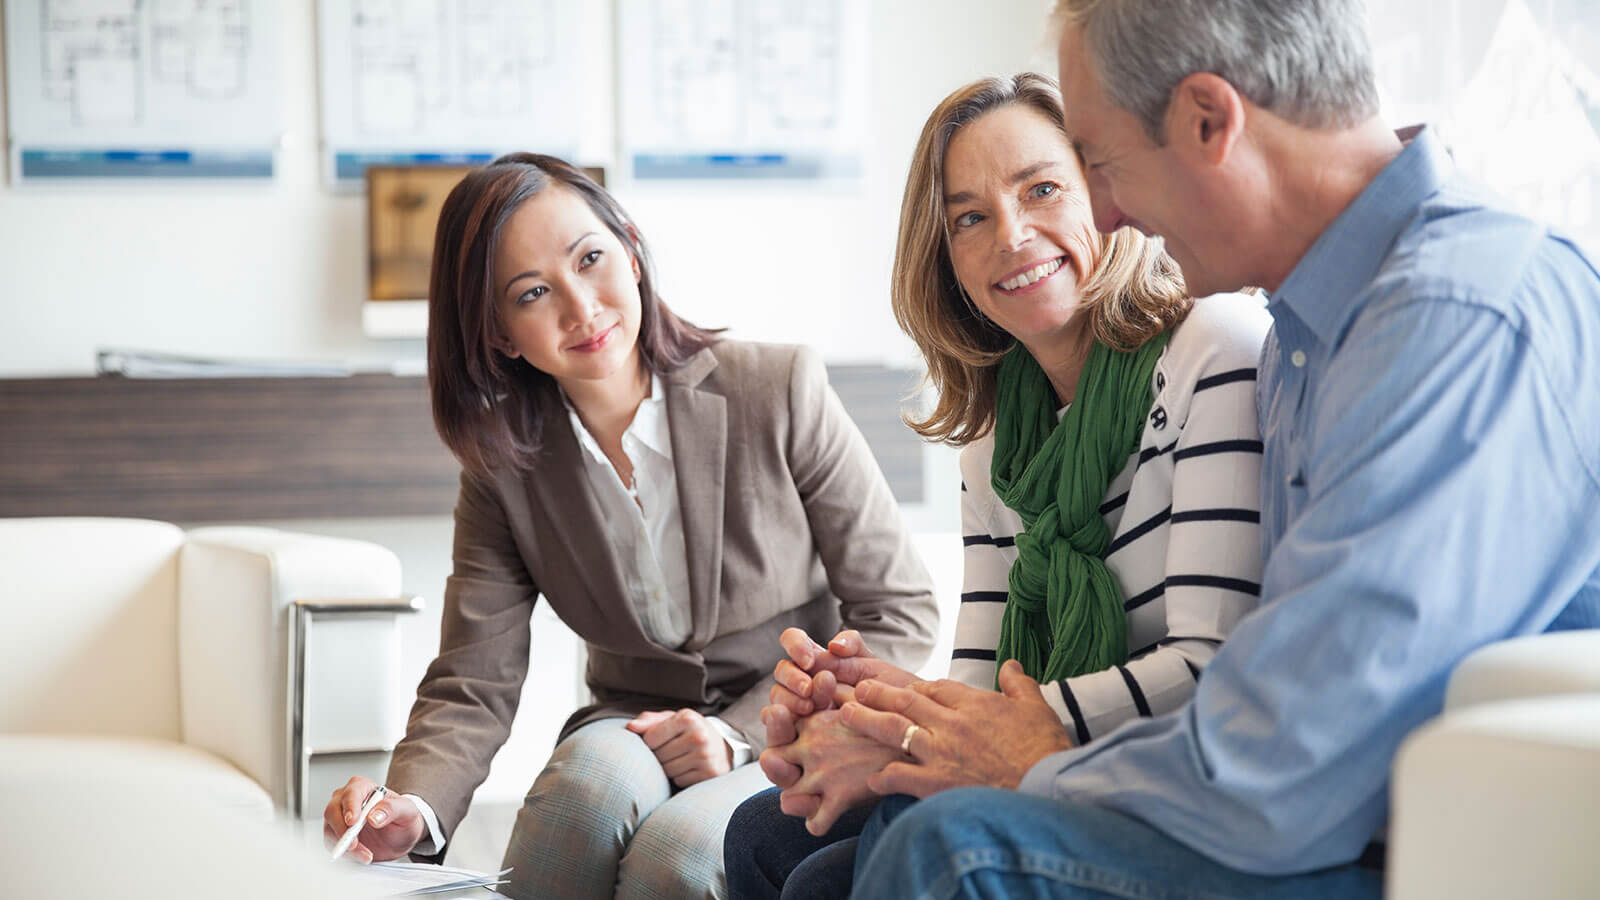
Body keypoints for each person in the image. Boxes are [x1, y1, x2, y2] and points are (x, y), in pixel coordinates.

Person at [844, 1, 1600, 897]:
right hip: (1324, 811)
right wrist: (899, 724)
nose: (1109, 210)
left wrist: (1040, 762)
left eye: (1098, 163)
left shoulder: (1452, 317)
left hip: (1387, 837)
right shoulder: (1310, 333)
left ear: (1210, 121)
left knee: (949, 850)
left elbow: (1287, 759)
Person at [318, 154, 939, 900]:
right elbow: (473, 679)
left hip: (790, 725)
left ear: (632, 251)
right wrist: (411, 808)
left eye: (591, 259)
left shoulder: (776, 389)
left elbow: (899, 609)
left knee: (677, 856)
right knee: (580, 798)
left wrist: (739, 733)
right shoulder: (503, 465)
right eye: (533, 293)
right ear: (500, 333)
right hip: (630, 720)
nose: (581, 308)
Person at [724, 72, 1272, 898]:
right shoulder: (992, 444)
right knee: (763, 832)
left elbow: (1212, 664)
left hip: (1169, 777)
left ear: (1106, 196)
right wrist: (871, 705)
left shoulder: (1214, 349)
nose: (1012, 236)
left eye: (1043, 189)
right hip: (1063, 757)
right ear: (945, 261)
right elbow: (978, 691)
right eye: (970, 218)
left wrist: (928, 735)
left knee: (839, 868)